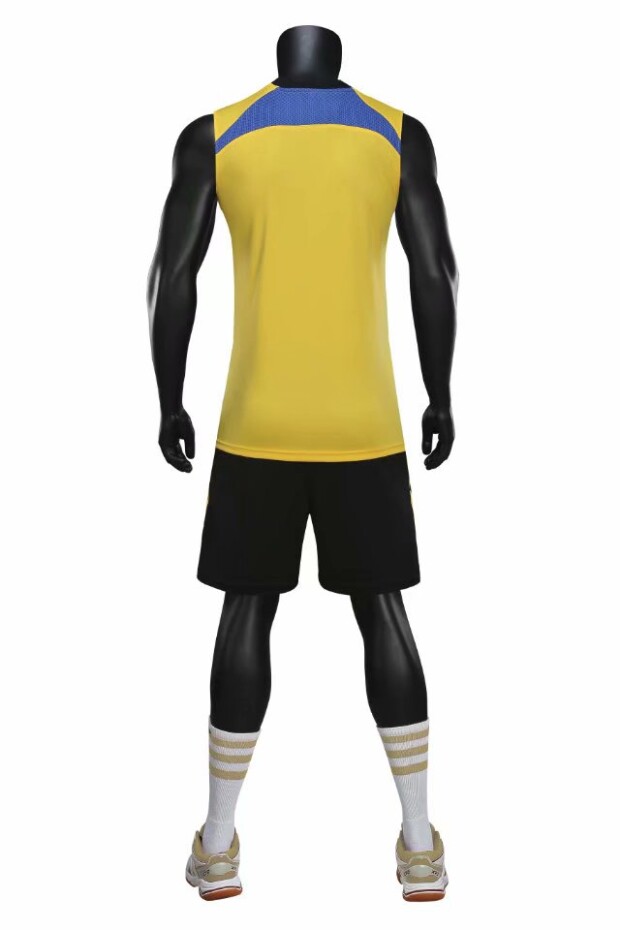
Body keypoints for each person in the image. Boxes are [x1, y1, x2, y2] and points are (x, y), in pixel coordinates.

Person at [147, 25, 458, 902]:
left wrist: (169, 399)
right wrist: (440, 394)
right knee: (384, 615)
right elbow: (435, 273)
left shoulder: (215, 135)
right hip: (365, 421)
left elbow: (172, 277)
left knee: (244, 614)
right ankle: (420, 845)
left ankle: (217, 844)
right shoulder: (397, 134)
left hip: (258, 422)